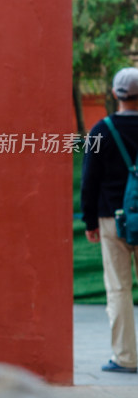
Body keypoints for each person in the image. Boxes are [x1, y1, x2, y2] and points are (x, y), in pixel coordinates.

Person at [81, 67, 138, 374]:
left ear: (115, 94)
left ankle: (125, 358)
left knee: (118, 289)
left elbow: (89, 181)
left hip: (111, 220)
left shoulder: (101, 131)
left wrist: (89, 222)